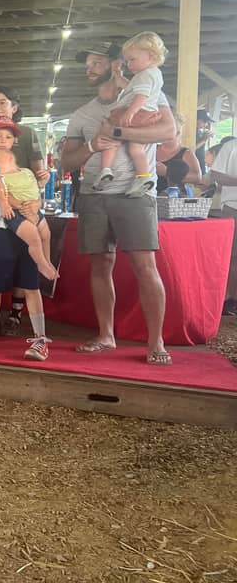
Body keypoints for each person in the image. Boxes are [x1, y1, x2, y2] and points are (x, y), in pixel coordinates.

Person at [60, 41, 177, 365]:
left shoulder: (149, 94)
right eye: (87, 65)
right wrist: (91, 146)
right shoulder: (81, 114)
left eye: (95, 63)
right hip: (94, 194)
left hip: (136, 194)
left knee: (145, 266)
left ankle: (157, 343)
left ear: (116, 65)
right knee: (100, 265)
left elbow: (169, 131)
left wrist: (119, 130)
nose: (89, 69)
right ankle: (106, 334)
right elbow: (66, 162)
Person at [0, 120, 52, 361]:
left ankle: (39, 339)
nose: (2, 141)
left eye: (7, 137)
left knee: (31, 284)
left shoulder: (20, 169)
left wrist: (34, 202)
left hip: (27, 224)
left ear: (15, 141)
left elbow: (34, 191)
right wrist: (20, 204)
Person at [0, 84, 49, 332]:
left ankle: (32, 326)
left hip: (28, 210)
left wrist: (37, 190)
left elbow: (37, 175)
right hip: (0, 215)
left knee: (32, 259)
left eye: (2, 102)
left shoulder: (28, 134)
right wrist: (13, 203)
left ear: (14, 107)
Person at [92, 32, 168, 197]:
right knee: (136, 148)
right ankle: (143, 176)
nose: (129, 64)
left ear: (151, 56)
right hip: (147, 116)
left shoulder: (145, 75)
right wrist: (118, 75)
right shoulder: (151, 74)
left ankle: (105, 170)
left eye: (133, 59)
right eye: (128, 61)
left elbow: (141, 95)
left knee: (109, 136)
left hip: (136, 113)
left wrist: (130, 112)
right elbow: (131, 88)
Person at [0, 145, 58, 280]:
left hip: (34, 209)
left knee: (46, 235)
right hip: (15, 213)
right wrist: (5, 206)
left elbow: (36, 187)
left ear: (10, 158)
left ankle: (47, 261)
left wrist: (43, 180)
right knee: (34, 238)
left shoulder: (26, 172)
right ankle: (41, 264)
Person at [206, 137, 237, 316]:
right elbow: (215, 175)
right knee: (232, 256)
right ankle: (232, 298)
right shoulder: (230, 146)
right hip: (233, 206)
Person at [155, 113, 201, 194]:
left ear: (177, 133)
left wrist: (167, 172)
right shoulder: (153, 149)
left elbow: (197, 177)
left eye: (168, 131)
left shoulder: (186, 153)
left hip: (173, 199)